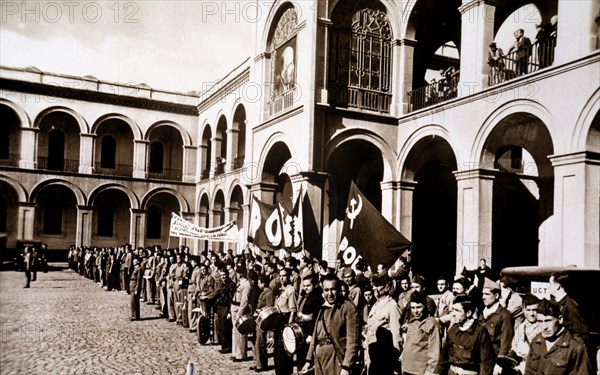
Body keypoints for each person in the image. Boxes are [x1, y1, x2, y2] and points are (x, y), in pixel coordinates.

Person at [303, 274, 361, 375]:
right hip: (319, 359)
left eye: (333, 289)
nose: (329, 293)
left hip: (337, 359)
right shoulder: (322, 308)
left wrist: (346, 366)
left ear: (338, 289)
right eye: (326, 290)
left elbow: (353, 340)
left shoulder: (348, 308)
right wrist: (309, 360)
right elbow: (315, 337)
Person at [525, 298, 592, 375]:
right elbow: (528, 372)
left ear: (560, 319)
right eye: (540, 321)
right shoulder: (536, 341)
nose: (544, 327)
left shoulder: (575, 347)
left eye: (548, 321)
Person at [435, 295, 495, 375]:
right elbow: (443, 359)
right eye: (453, 310)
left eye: (457, 310)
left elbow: (486, 364)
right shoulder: (452, 330)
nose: (453, 314)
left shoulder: (480, 332)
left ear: (468, 313)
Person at [364, 273, 402, 375]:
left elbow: (396, 333)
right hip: (372, 353)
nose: (374, 288)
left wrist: (395, 361)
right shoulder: (375, 305)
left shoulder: (392, 306)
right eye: (374, 285)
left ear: (387, 287)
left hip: (384, 355)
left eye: (378, 285)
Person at [400, 291, 443, 375]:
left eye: (418, 307)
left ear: (425, 306)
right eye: (413, 308)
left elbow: (435, 352)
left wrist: (430, 372)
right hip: (406, 369)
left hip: (420, 371)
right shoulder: (412, 322)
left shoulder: (432, 324)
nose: (415, 311)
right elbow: (409, 345)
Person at [505, 294, 542, 374]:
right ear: (523, 310)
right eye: (528, 310)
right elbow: (515, 347)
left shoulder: (543, 328)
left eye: (535, 310)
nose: (532, 313)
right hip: (521, 369)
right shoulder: (520, 328)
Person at [479, 278, 514, 361]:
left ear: (496, 296)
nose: (483, 297)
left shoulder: (504, 315)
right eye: (483, 294)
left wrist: (500, 362)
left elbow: (506, 342)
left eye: (487, 294)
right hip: (480, 357)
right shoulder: (482, 313)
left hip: (493, 358)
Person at [548, 272, 589, 344]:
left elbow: (581, 333)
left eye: (550, 284)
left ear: (557, 286)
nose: (548, 287)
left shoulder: (571, 306)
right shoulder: (554, 303)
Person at [295, 274, 324, 370]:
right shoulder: (305, 296)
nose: (305, 288)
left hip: (309, 332)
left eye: (308, 285)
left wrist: (311, 335)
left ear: (315, 285)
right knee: (300, 358)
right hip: (302, 330)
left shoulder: (317, 298)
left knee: (307, 360)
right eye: (304, 285)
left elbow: (316, 318)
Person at [252, 274, 275, 373]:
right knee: (258, 342)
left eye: (260, 282)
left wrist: (259, 310)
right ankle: (259, 363)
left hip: (264, 320)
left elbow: (270, 307)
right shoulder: (264, 292)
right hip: (259, 318)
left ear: (263, 283)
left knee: (260, 343)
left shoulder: (269, 293)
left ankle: (261, 365)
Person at [231, 265, 252, 362]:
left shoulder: (246, 285)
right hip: (235, 307)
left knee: (240, 332)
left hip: (240, 309)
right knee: (235, 331)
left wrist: (239, 313)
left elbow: (245, 301)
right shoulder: (241, 283)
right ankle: (235, 352)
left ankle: (241, 354)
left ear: (240, 274)